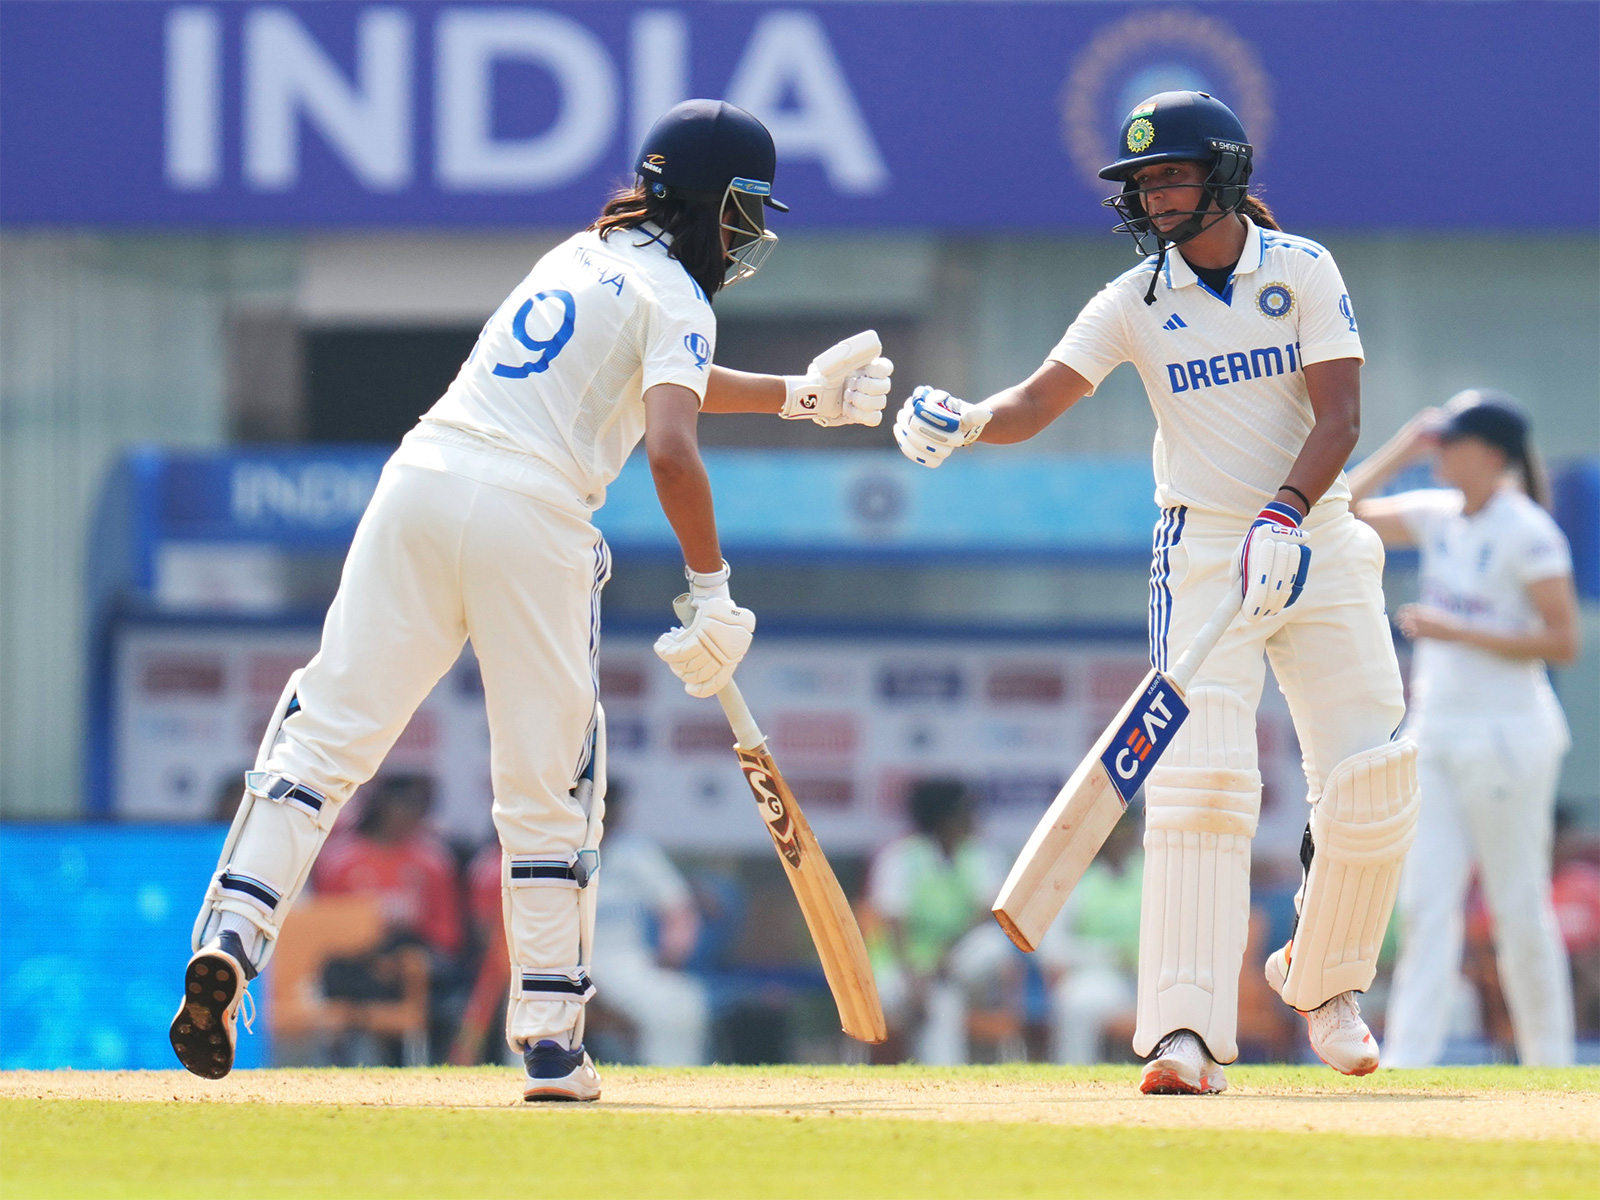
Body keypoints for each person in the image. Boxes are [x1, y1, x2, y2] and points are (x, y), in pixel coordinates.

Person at [169, 99, 893, 1101]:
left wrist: (796, 395)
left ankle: (232, 935)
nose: (748, 235)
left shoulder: (577, 254)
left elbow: (658, 381)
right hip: (534, 512)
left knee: (323, 736)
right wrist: (713, 587)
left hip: (421, 478)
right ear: (708, 202)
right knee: (548, 785)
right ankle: (551, 1042)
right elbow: (670, 441)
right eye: (744, 211)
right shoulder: (680, 293)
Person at [893, 91, 1415, 1093]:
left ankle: (1324, 981)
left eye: (1170, 174)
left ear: (1221, 173)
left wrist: (1284, 514)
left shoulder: (1302, 270)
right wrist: (965, 420)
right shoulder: (1134, 299)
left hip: (1316, 535)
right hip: (1202, 551)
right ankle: (1183, 1035)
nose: (1154, 195)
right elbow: (1036, 400)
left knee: (1369, 782)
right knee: (1199, 788)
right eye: (1141, 182)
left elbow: (1341, 415)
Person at [1349, 391, 1581, 1067]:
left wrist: (1458, 631)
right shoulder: (1440, 515)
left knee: (1515, 906)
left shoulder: (1528, 530)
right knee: (1425, 904)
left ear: (1492, 454)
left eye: (1452, 441)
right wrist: (1404, 444)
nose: (1442, 451)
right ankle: (1407, 1062)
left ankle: (1550, 1060)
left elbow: (1562, 640)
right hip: (1438, 734)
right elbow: (1343, 509)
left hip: (1508, 738)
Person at [867, 779, 1018, 1064]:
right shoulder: (901, 857)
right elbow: (893, 924)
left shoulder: (980, 855)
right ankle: (940, 1077)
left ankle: (938, 1079)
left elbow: (985, 913)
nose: (974, 818)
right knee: (943, 999)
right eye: (966, 811)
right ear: (945, 818)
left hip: (951, 964)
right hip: (902, 967)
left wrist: (943, 958)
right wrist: (913, 978)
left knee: (992, 945)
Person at [584, 780, 710, 1065]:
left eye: (612, 806)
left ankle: (670, 1086)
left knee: (681, 1002)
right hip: (565, 962)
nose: (607, 813)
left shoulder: (635, 853)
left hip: (623, 961)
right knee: (534, 1003)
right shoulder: (559, 851)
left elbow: (678, 907)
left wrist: (672, 954)